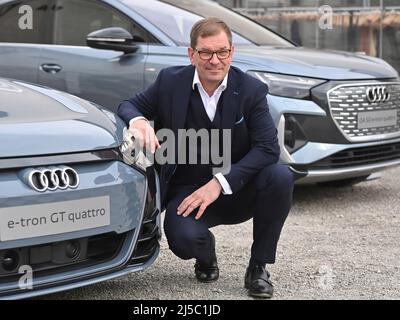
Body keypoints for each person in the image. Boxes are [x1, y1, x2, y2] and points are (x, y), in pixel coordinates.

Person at [118, 17, 294, 298]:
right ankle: (205, 252)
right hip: (187, 190)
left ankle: (258, 266)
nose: (215, 60)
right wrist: (138, 121)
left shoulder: (251, 90)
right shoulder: (170, 82)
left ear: (231, 52)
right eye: (206, 53)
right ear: (192, 54)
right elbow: (129, 104)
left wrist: (219, 183)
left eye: (222, 51)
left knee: (280, 176)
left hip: (237, 188)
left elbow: (268, 149)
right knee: (182, 240)